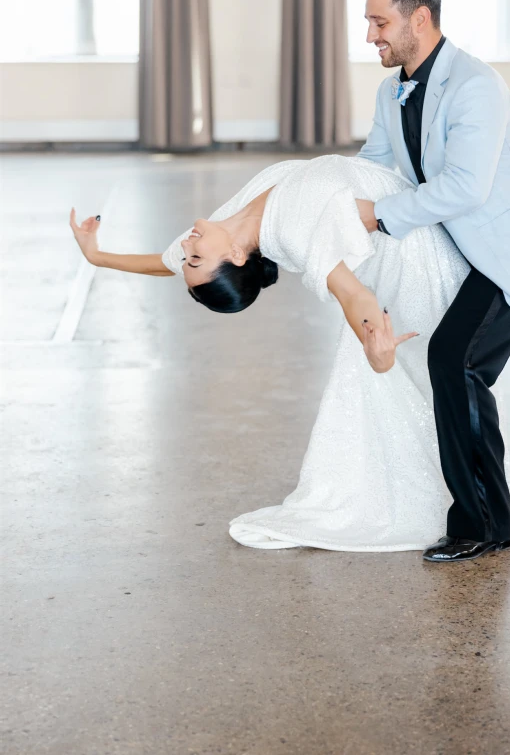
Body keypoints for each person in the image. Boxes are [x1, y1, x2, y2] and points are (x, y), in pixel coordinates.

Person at [70, 152, 472, 552]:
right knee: (425, 379)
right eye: (195, 258)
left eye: (189, 258)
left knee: (431, 383)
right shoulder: (289, 234)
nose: (187, 249)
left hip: (407, 223)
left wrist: (96, 255)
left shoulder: (225, 224)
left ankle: (462, 481)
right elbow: (351, 294)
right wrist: (379, 355)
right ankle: (460, 493)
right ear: (237, 258)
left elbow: (163, 263)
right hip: (413, 263)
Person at [353, 0, 510, 561]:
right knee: (458, 369)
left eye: (379, 22)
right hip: (468, 254)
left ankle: (480, 525)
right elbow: (375, 165)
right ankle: (485, 519)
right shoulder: (390, 89)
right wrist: (329, 196)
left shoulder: (475, 84)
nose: (370, 34)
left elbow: (465, 187)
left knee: (457, 363)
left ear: (418, 18)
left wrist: (377, 215)